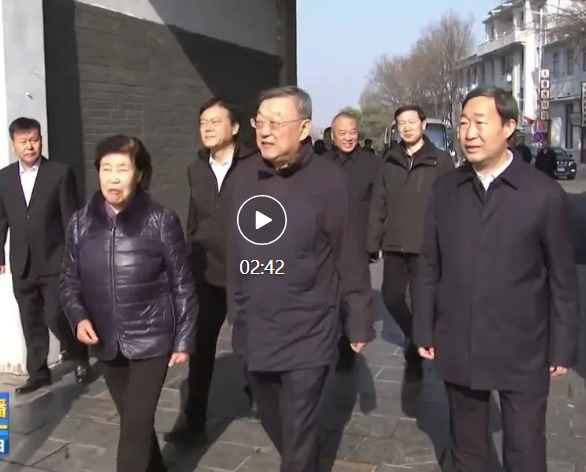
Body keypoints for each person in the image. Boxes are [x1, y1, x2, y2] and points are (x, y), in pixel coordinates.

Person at [414, 86, 580, 472]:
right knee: (467, 447)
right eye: (463, 123)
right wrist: (423, 327)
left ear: (508, 128)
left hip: (523, 344)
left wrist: (562, 345)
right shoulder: (445, 190)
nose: (469, 133)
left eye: (480, 123)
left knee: (525, 448)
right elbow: (429, 266)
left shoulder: (542, 193)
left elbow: (562, 278)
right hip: (459, 338)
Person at [222, 86, 374, 471]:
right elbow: (236, 252)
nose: (265, 131)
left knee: (300, 430)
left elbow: (349, 253)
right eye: (260, 122)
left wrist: (358, 317)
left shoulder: (328, 181)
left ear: (305, 128)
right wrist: (235, 308)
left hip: (310, 326)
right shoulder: (243, 178)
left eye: (276, 122)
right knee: (275, 418)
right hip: (257, 324)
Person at [60, 134, 197, 472]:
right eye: (106, 168)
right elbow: (69, 282)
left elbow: (182, 283)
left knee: (133, 428)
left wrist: (183, 339)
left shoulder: (161, 220)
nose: (113, 178)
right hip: (106, 340)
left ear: (139, 174)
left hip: (152, 338)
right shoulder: (80, 223)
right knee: (136, 421)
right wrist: (78, 317)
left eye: (122, 169)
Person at [165, 98, 257, 445]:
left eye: (215, 122)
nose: (207, 128)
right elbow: (195, 217)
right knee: (201, 347)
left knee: (252, 342)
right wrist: (190, 252)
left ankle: (261, 391)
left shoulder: (256, 166)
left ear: (235, 127)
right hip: (206, 270)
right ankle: (194, 422)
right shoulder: (197, 168)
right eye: (203, 122)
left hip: (247, 270)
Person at [0, 117, 89, 394]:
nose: (30, 146)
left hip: (55, 259)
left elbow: (71, 218)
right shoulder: (3, 178)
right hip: (22, 262)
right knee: (30, 318)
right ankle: (38, 373)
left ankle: (79, 354)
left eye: (34, 140)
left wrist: (75, 256)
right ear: (13, 144)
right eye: (23, 141)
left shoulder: (60, 173)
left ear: (41, 140)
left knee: (56, 315)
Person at [367, 104, 455, 382]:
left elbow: (451, 203)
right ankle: (413, 335)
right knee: (391, 297)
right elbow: (378, 202)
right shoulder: (389, 160)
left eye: (411, 122)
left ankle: (416, 352)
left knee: (422, 301)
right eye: (401, 124)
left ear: (423, 125)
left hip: (426, 245)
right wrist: (373, 241)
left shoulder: (440, 161)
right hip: (394, 243)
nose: (406, 128)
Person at [324, 112, 381, 372]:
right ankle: (334, 340)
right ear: (333, 136)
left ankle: (349, 344)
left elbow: (378, 205)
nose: (348, 137)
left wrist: (374, 242)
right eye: (342, 133)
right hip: (325, 241)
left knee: (354, 294)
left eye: (352, 132)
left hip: (357, 240)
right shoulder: (322, 165)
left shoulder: (371, 164)